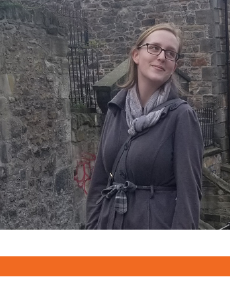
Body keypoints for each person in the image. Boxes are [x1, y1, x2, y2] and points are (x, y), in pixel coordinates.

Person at [86, 23, 203, 229]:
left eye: (170, 53)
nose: (161, 57)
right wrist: (92, 226)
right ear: (136, 55)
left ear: (174, 65)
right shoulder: (116, 108)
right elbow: (99, 181)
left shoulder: (181, 116)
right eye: (154, 48)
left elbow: (189, 197)